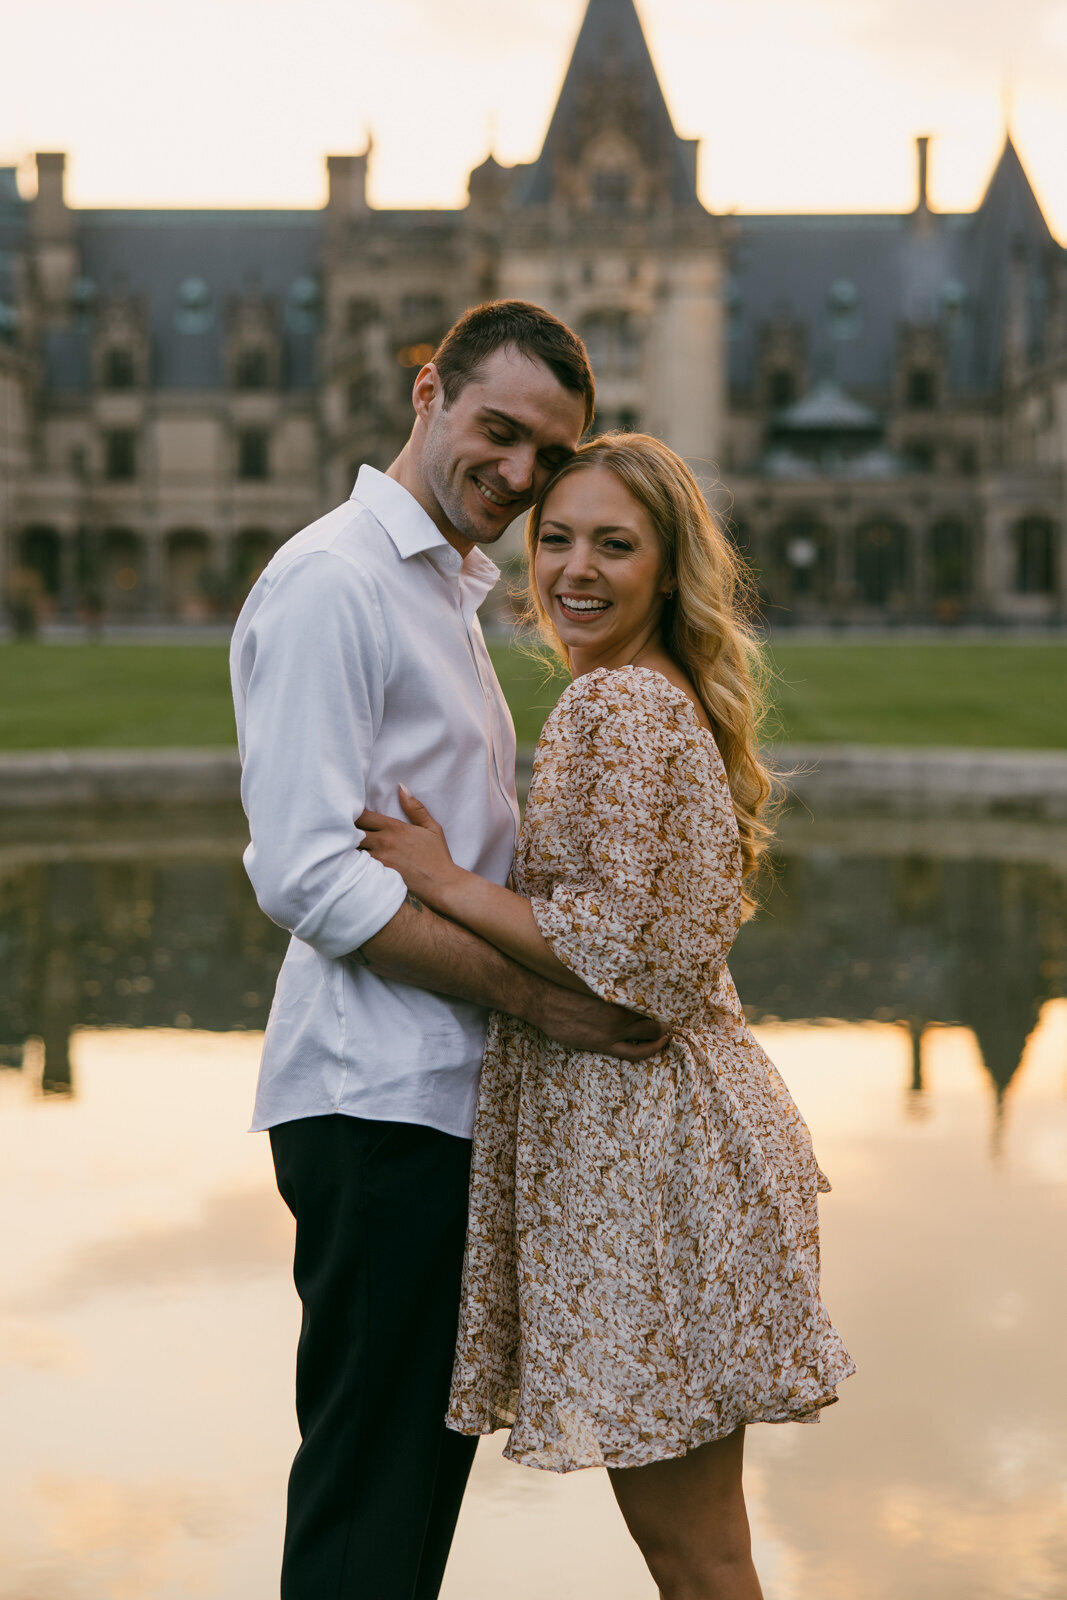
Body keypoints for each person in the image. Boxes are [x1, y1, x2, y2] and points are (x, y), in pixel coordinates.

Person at [357, 432, 856, 1600]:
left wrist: (443, 882)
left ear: (668, 568)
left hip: (649, 1155)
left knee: (689, 1551)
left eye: (613, 544)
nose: (573, 568)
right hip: (680, 1138)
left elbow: (624, 951)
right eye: (558, 538)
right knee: (706, 1546)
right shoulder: (642, 692)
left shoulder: (615, 706)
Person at [229, 304, 668, 1600]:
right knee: (369, 1501)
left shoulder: (439, 590)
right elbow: (305, 875)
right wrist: (552, 1009)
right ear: (428, 392)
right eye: (500, 431)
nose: (521, 474)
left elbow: (453, 855)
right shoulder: (334, 580)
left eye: (547, 451)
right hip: (377, 1106)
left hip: (438, 1105)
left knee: (409, 1506)